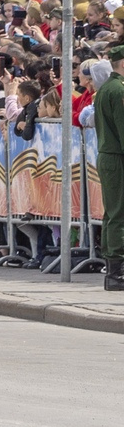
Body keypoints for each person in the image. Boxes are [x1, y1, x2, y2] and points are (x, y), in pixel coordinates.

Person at [94, 44, 123, 290]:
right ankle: (117, 271)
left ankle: (113, 268)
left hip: (108, 155)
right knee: (119, 214)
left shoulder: (106, 88)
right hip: (117, 156)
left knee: (112, 212)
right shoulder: (119, 90)